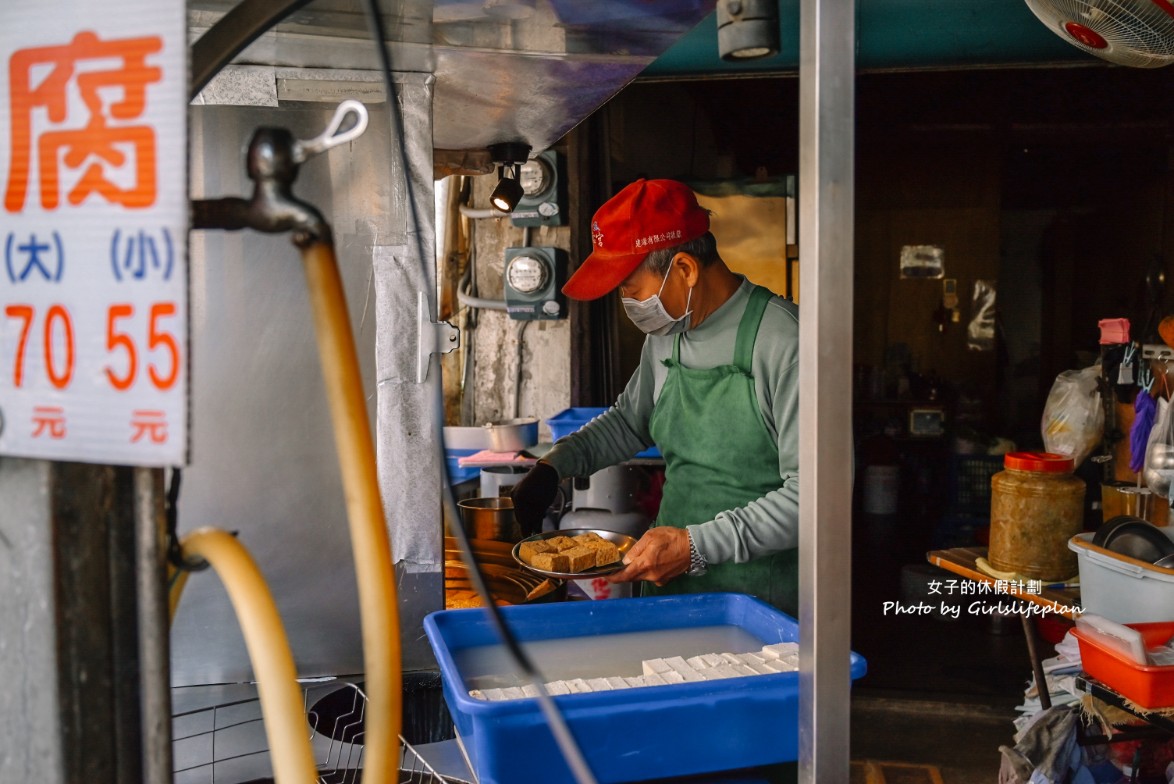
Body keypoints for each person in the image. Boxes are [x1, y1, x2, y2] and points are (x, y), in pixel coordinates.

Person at [511, 178, 800, 615]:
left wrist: (696, 545)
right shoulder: (670, 332)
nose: (626, 302)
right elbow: (629, 421)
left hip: (761, 602)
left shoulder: (786, 341)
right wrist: (555, 465)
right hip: (671, 589)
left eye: (630, 288)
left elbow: (815, 497)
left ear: (684, 269)